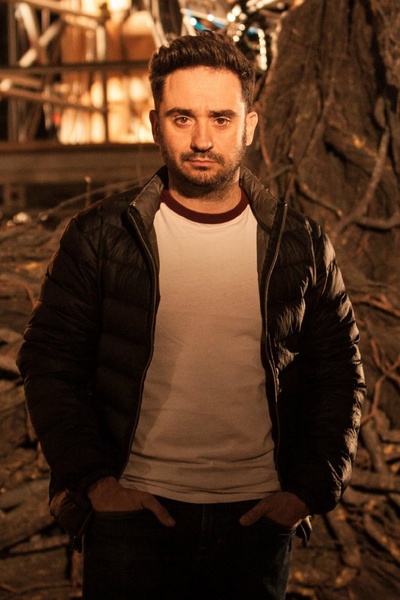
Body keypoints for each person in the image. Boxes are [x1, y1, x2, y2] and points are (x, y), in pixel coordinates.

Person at [17, 31, 366, 600]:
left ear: (249, 126)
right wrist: (97, 485)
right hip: (132, 518)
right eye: (182, 118)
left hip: (256, 519)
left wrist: (306, 492)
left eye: (221, 119)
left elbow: (340, 372)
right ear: (155, 125)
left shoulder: (299, 242)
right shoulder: (101, 236)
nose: (202, 139)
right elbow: (50, 361)